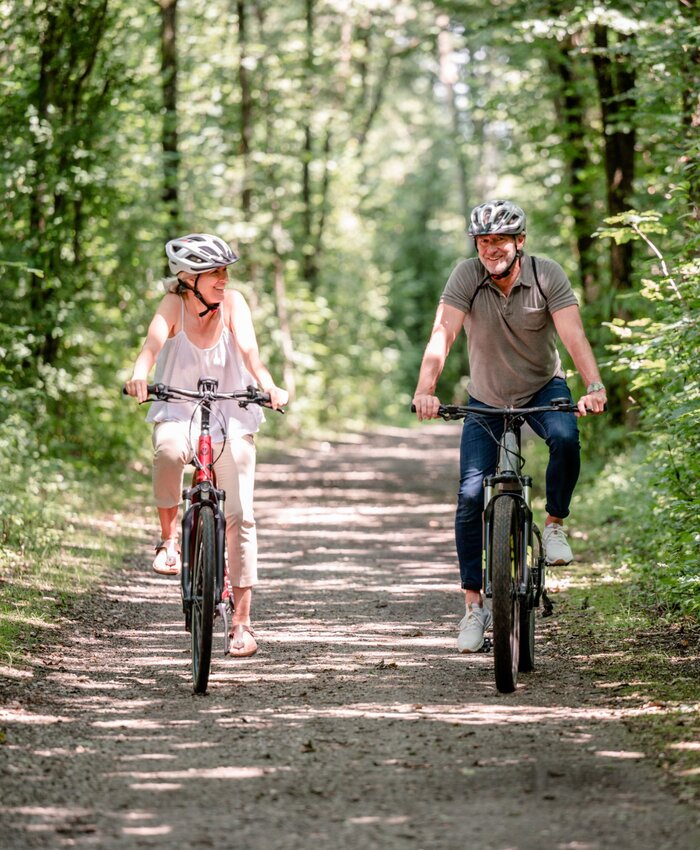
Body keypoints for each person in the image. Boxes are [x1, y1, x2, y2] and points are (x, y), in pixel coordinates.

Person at [412, 200, 606, 654]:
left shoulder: (546, 274)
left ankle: (555, 524)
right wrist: (426, 388)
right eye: (483, 241)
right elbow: (443, 333)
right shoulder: (467, 276)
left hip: (543, 388)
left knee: (564, 438)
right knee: (468, 496)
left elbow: (573, 334)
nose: (491, 249)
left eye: (500, 240)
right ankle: (474, 607)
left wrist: (593, 385)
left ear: (519, 242)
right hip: (487, 397)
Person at [124, 233, 288, 657]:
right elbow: (151, 346)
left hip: (232, 413)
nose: (223, 279)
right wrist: (140, 374)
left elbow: (252, 353)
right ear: (189, 277)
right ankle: (168, 541)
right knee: (167, 451)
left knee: (240, 515)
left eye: (224, 271)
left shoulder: (233, 305)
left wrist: (267, 385)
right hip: (179, 410)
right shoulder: (172, 306)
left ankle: (242, 622)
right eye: (214, 272)